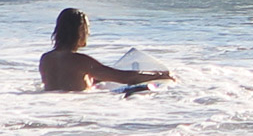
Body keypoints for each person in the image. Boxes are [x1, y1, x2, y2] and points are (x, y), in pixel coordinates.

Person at [39, 8, 174, 92]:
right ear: (80, 31)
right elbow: (124, 77)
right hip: (78, 108)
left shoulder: (46, 59)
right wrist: (159, 75)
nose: (89, 33)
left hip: (54, 108)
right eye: (87, 28)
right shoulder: (80, 61)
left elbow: (65, 82)